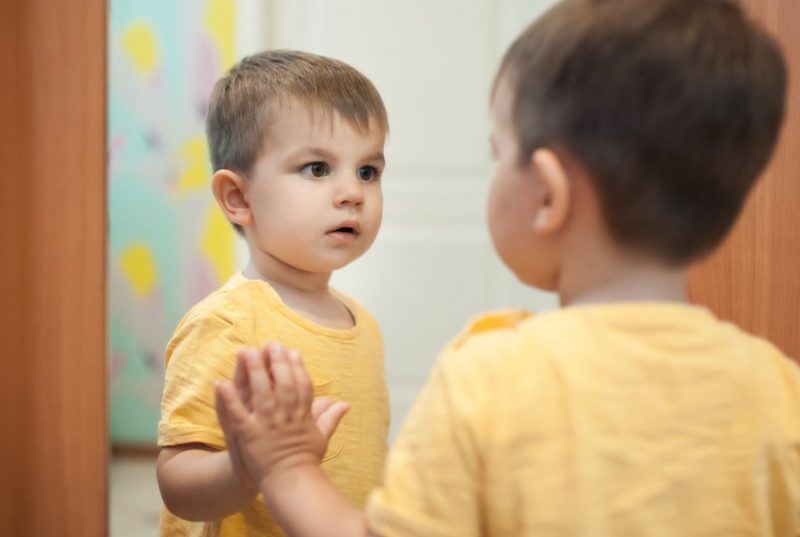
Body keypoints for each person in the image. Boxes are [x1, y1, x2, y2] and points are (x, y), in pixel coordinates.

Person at [215, 0, 800, 535]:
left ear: (547, 194)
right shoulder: (779, 389)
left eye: (498, 154)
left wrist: (287, 467)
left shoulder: (487, 378)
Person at [156, 49, 391, 537]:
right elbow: (177, 480)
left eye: (368, 171)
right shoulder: (227, 323)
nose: (353, 192)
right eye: (317, 169)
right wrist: (246, 467)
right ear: (239, 198)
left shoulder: (361, 324)